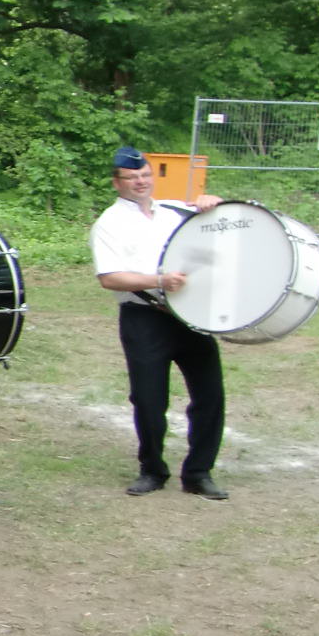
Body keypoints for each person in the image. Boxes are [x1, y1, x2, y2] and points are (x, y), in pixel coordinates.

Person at [89, 146, 230, 499]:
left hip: (190, 315)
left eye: (145, 175)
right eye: (131, 177)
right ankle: (152, 469)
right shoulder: (109, 223)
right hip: (145, 317)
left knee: (210, 394)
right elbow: (110, 277)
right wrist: (159, 280)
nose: (140, 182)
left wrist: (212, 205)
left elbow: (215, 231)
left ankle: (198, 473)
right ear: (117, 183)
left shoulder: (174, 212)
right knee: (149, 400)